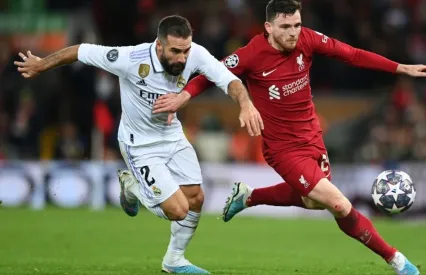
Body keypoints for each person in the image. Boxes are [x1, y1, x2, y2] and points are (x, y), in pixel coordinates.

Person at [152, 1, 426, 274]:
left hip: (312, 138)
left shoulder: (308, 39)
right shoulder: (251, 54)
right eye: (285, 27)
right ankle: (398, 261)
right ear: (268, 27)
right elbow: (210, 74)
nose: (293, 33)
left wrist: (399, 67)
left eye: (297, 25)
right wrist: (183, 97)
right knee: (339, 204)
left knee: (316, 202)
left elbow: (352, 54)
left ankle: (250, 196)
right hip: (282, 149)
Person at [14, 15, 263, 274]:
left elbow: (230, 80)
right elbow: (80, 50)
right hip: (139, 145)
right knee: (178, 210)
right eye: (175, 51)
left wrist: (245, 105)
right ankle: (131, 187)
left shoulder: (195, 54)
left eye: (185, 50)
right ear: (159, 46)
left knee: (196, 198)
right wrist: (42, 64)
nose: (182, 58)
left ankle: (174, 260)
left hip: (172, 136)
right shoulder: (131, 59)